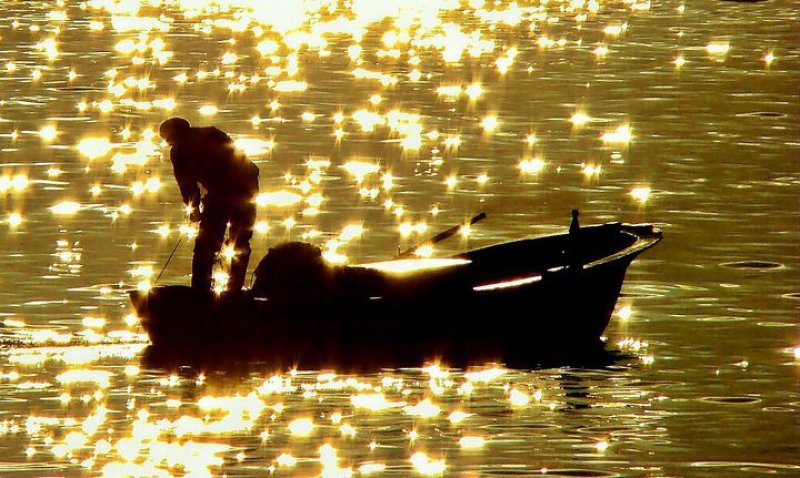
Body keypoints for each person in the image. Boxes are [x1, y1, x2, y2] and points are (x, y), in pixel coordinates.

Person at [159, 117, 259, 294]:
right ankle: (232, 291)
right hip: (245, 186)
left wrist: (195, 209)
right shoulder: (212, 133)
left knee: (208, 244)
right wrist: (196, 206)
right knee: (239, 243)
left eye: (167, 139)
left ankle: (201, 292)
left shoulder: (179, 150)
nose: (168, 143)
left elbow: (187, 185)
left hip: (233, 189)